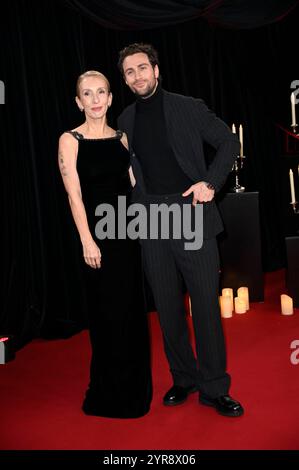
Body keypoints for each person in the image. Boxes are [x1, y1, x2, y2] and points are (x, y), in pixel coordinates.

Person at [117, 43, 244, 417]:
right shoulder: (124, 120)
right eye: (129, 72)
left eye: (142, 67)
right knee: (168, 309)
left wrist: (210, 182)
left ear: (156, 70)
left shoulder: (189, 106)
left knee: (205, 304)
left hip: (191, 209)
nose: (137, 76)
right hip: (151, 217)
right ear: (125, 80)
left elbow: (227, 141)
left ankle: (214, 387)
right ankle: (183, 377)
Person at [58, 70, 152, 418]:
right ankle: (108, 392)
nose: (95, 99)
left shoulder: (122, 138)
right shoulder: (70, 140)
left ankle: (134, 389)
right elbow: (74, 195)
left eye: (101, 92)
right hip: (96, 239)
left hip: (127, 236)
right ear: (78, 101)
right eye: (87, 93)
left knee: (130, 311)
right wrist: (87, 240)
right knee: (105, 314)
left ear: (111, 98)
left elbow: (133, 188)